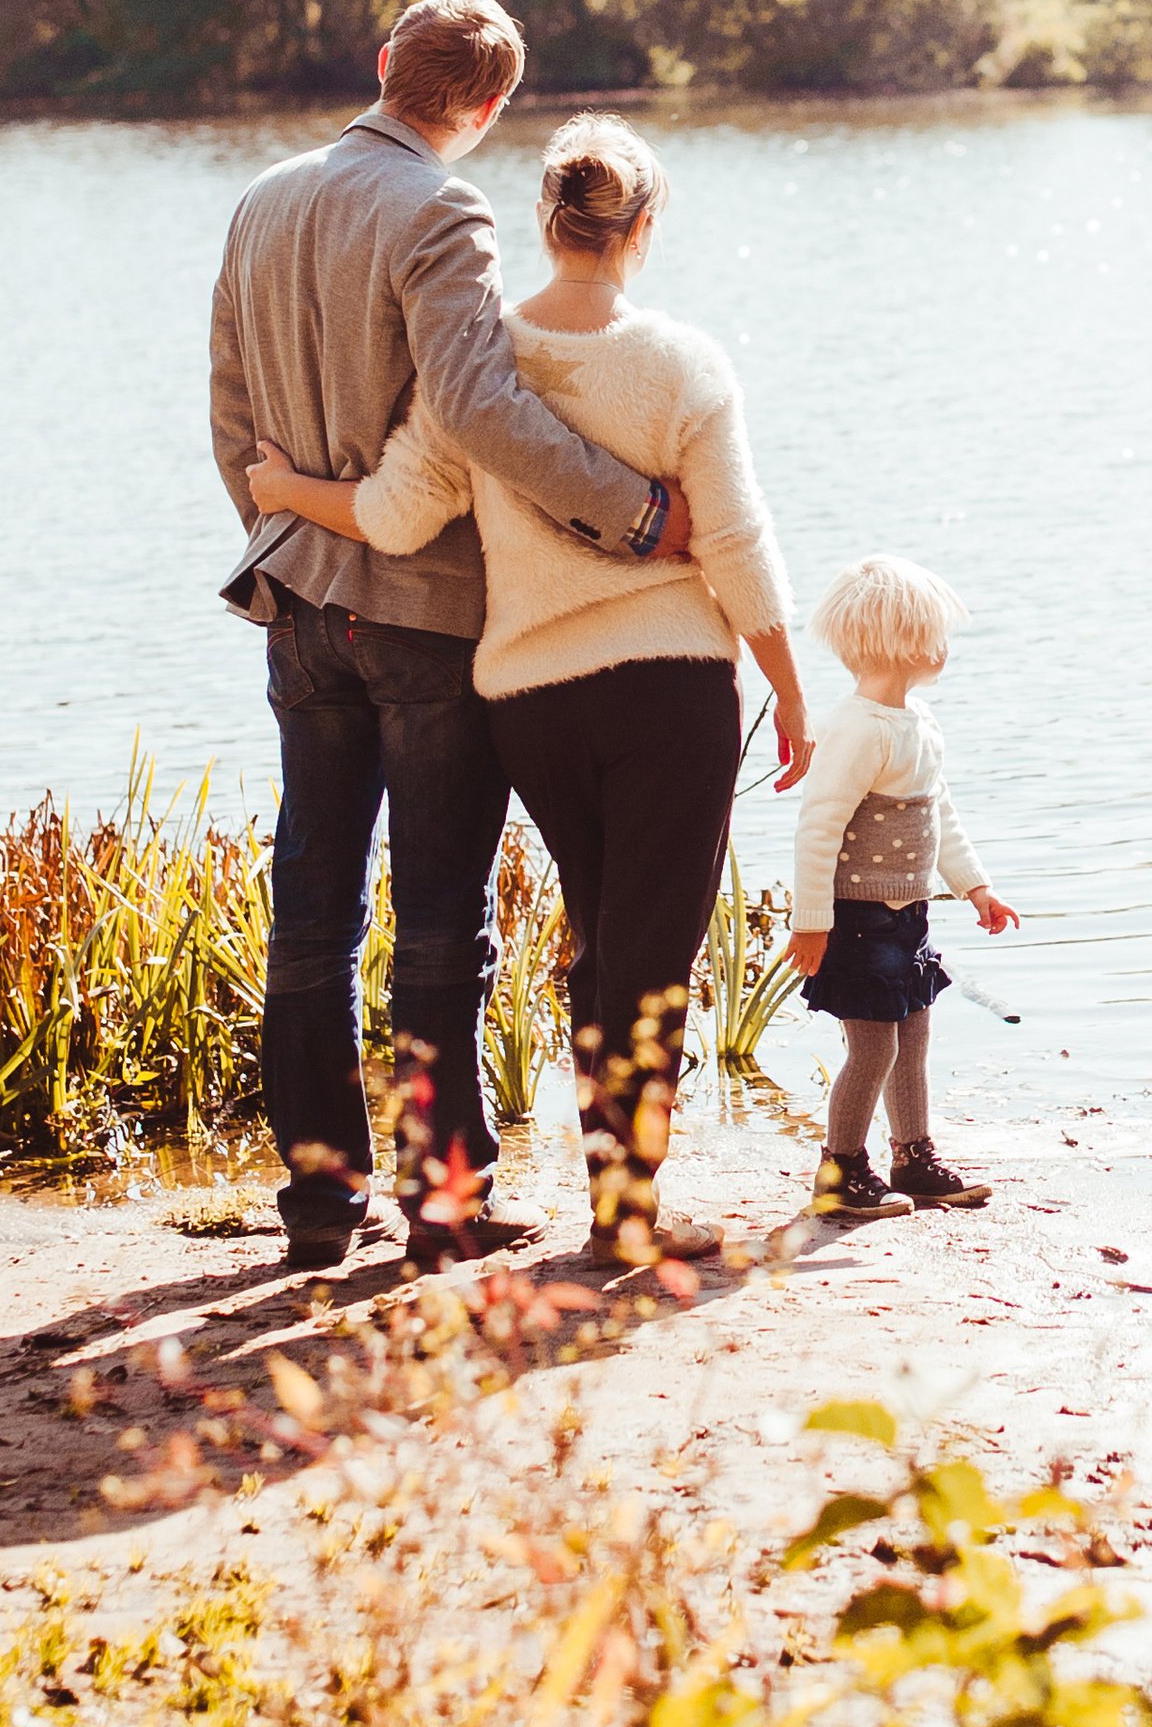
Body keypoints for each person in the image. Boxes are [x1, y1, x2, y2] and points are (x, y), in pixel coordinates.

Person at [245, 110, 810, 1276]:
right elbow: (739, 547)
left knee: (600, 942)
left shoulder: (478, 364)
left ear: (548, 222)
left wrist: (287, 488)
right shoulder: (681, 362)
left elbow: (399, 515)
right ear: (642, 228)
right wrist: (792, 693)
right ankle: (626, 1211)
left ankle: (613, 1193)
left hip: (532, 700)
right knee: (651, 952)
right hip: (669, 694)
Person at [210, 0, 690, 1272]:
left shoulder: (263, 194)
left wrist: (295, 541)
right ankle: (441, 1204)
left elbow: (229, 408)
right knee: (439, 917)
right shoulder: (442, 207)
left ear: (383, 67)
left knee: (310, 905)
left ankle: (318, 1205)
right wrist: (634, 512)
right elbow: (477, 407)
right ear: (488, 110)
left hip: (297, 602)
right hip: (421, 614)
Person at [787, 554, 1016, 1220]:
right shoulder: (856, 729)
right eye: (936, 633)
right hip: (856, 917)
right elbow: (817, 827)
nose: (944, 647)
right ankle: (840, 1168)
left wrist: (976, 888)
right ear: (908, 640)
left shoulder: (917, 722)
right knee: (874, 1045)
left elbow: (939, 815)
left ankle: (912, 1156)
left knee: (914, 1033)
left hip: (906, 917)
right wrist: (811, 921)